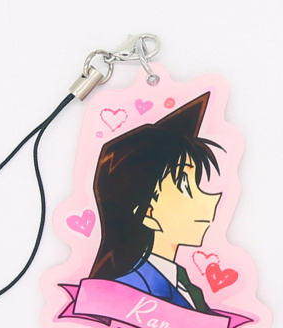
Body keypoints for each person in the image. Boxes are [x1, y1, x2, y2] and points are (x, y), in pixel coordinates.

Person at [89, 93, 222, 312]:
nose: (213, 198)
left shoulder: (184, 285)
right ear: (148, 211)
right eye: (186, 185)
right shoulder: (129, 290)